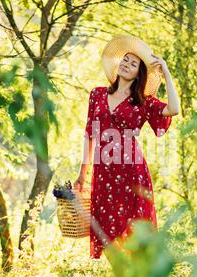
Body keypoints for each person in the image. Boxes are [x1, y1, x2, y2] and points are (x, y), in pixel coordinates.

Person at [74, 35, 180, 260]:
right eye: (125, 60)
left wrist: (166, 72)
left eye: (133, 63)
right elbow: (89, 135)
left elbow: (173, 109)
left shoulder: (143, 102)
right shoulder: (97, 95)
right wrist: (82, 174)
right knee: (107, 235)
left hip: (132, 173)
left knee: (133, 234)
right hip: (104, 174)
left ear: (139, 74)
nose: (126, 64)